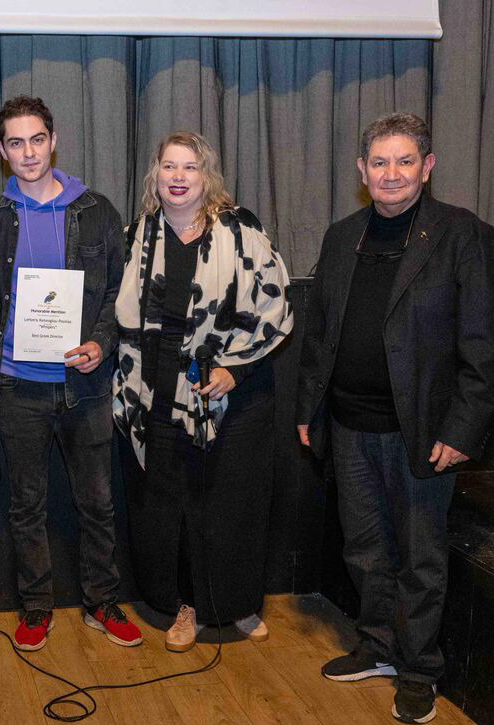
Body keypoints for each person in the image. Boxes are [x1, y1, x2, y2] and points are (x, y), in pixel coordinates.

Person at [296, 113, 494, 725]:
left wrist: (462, 429)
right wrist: (310, 408)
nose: (391, 174)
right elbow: (321, 333)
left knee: (420, 557)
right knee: (365, 548)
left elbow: (485, 346)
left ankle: (419, 669)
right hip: (349, 425)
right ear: (361, 172)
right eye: (379, 163)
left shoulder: (464, 236)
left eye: (404, 161)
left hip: (423, 431)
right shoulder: (343, 237)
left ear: (428, 166)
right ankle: (380, 646)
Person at [113, 131, 293, 653]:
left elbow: (276, 309)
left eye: (189, 167)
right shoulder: (136, 235)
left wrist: (234, 370)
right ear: (156, 174)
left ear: (205, 175)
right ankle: (186, 608)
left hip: (230, 392)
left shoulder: (241, 231)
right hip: (153, 391)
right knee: (171, 506)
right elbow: (110, 311)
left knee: (228, 504)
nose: (177, 177)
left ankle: (235, 605)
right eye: (168, 166)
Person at [0, 96, 142, 651]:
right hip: (17, 385)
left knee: (97, 502)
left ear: (54, 141)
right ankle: (36, 606)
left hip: (85, 386)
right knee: (27, 505)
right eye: (16, 143)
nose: (28, 152)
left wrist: (101, 342)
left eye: (37, 139)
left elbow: (120, 292)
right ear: (3, 151)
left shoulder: (97, 210)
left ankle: (101, 601)